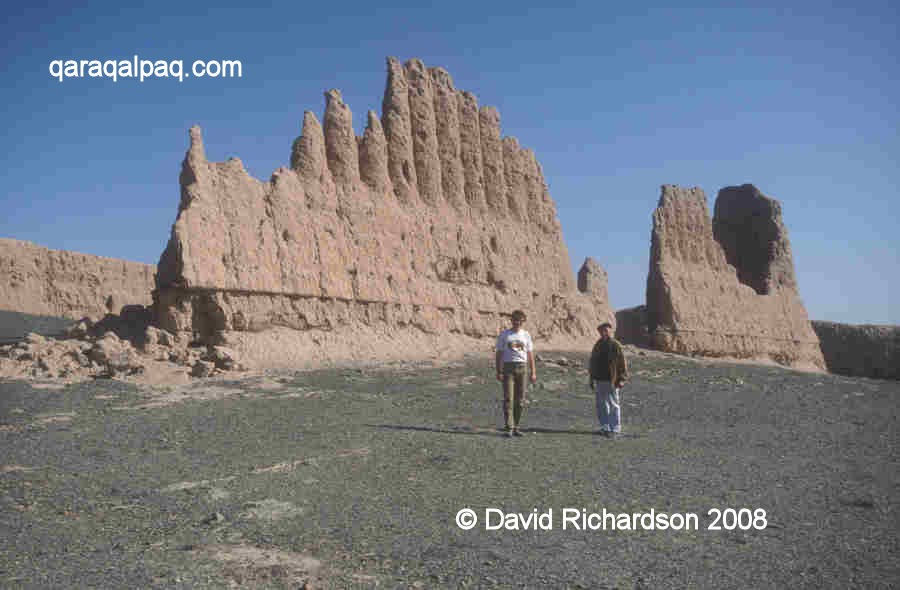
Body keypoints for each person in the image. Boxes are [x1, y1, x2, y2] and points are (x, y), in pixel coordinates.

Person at [495, 310, 537, 437]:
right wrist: (498, 370)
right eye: (515, 320)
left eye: (519, 321)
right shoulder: (505, 335)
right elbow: (499, 353)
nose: (517, 323)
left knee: (520, 399)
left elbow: (530, 354)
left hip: (522, 368)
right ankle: (509, 426)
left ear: (523, 321)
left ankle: (517, 426)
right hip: (508, 368)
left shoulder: (526, 335)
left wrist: (533, 372)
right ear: (511, 321)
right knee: (508, 398)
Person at [589, 322, 628, 438]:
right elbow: (592, 361)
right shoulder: (598, 344)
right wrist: (591, 378)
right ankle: (604, 427)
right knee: (601, 404)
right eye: (601, 331)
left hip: (612, 379)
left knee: (613, 404)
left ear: (611, 331)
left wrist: (622, 379)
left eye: (606, 330)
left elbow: (622, 362)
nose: (604, 332)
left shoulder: (615, 345)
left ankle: (615, 428)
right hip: (599, 379)